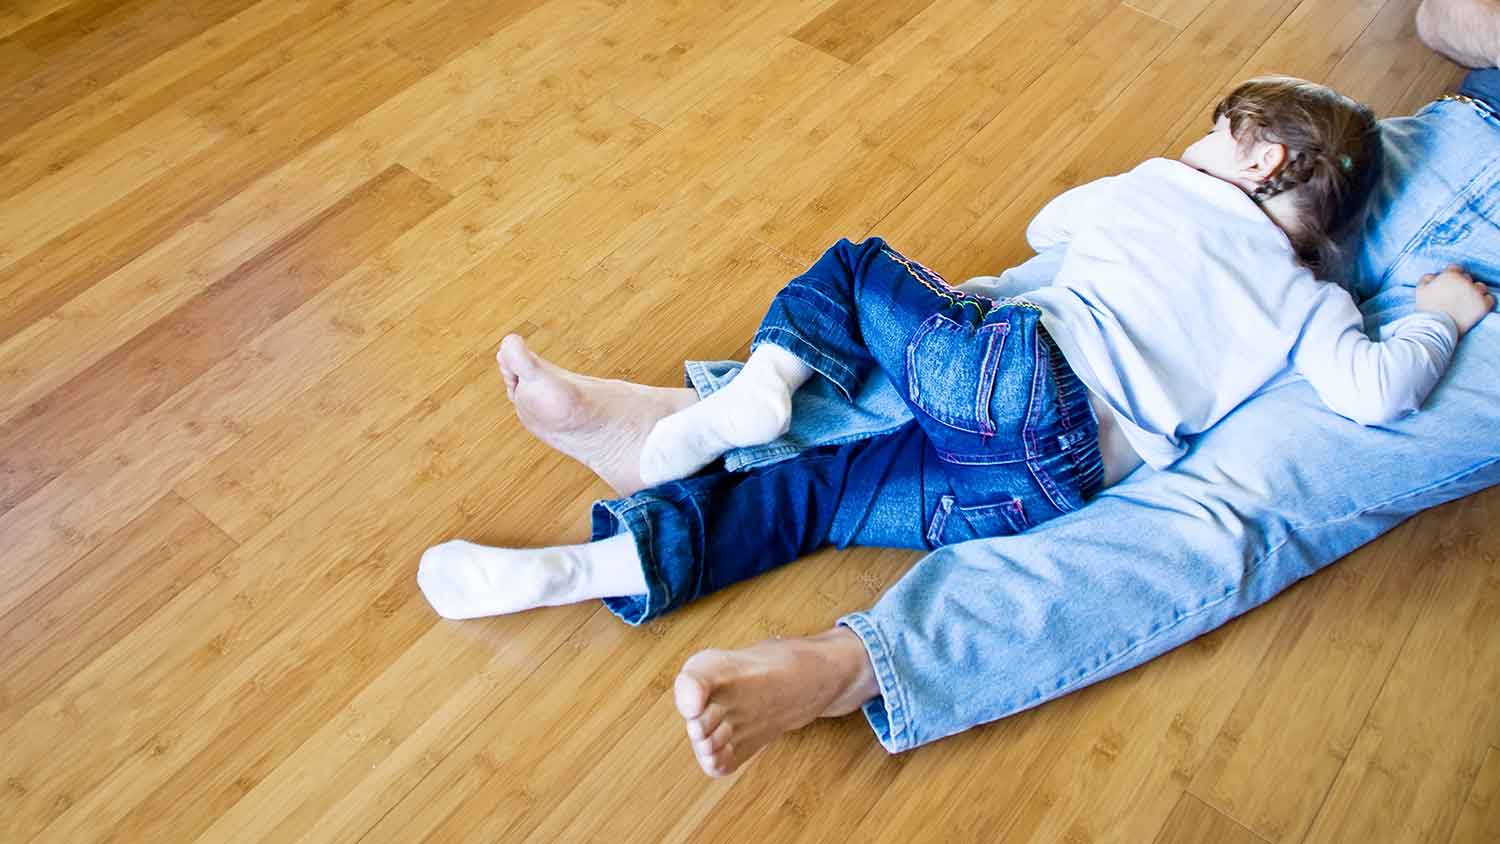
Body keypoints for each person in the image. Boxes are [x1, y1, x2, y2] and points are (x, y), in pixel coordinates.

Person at [423, 4, 1500, 778]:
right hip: (1043, 483)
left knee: (859, 274)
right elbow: (1370, 390)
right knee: (839, 488)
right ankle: (605, 550)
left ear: (1260, 158)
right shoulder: (1316, 309)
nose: (1197, 143)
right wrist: (1439, 319)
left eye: (1218, 129)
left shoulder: (1170, 186)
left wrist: (1145, 198)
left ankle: (738, 412)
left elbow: (1051, 234)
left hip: (1020, 381)